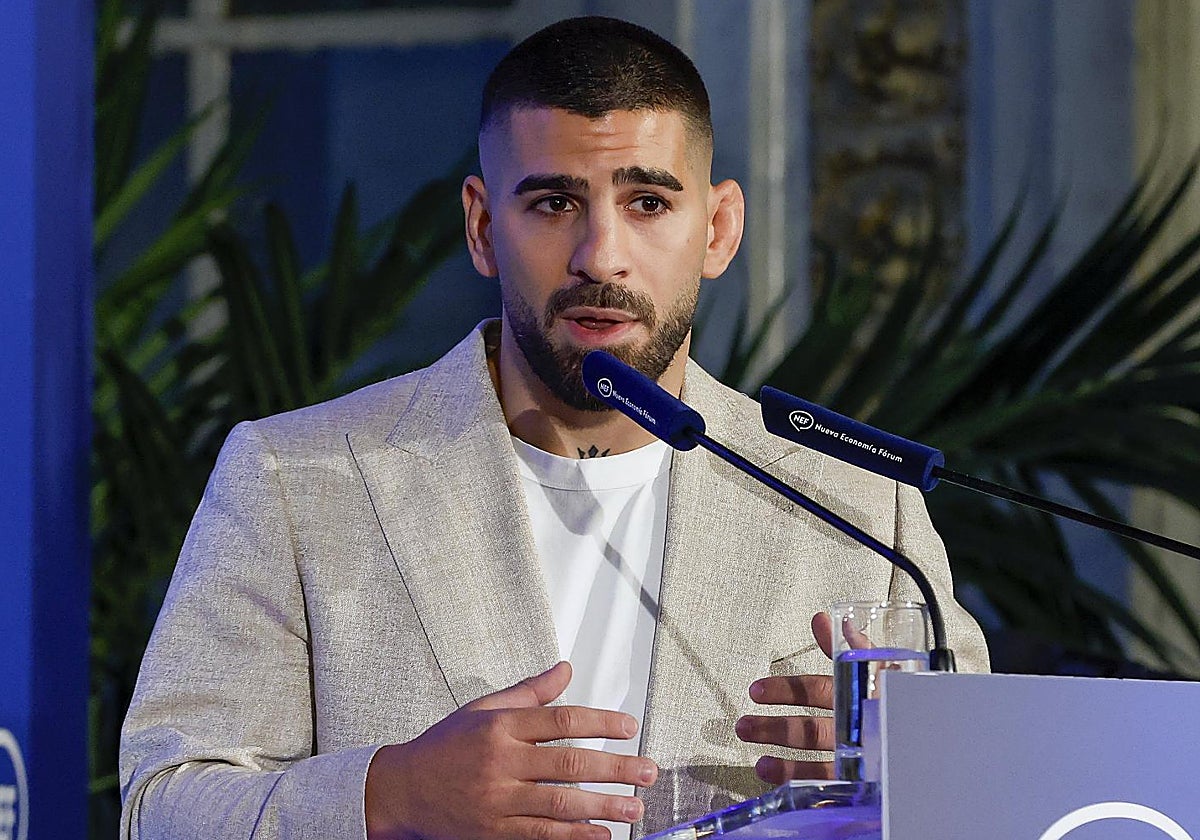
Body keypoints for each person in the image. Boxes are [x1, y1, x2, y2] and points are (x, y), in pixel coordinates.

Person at [119, 15, 989, 840]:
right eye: (553, 204)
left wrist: (924, 780)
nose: (599, 255)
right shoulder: (297, 477)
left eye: (647, 203)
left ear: (718, 229)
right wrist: (392, 794)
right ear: (481, 226)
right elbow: (165, 806)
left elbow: (991, 796)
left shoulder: (858, 505)